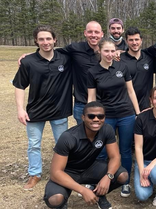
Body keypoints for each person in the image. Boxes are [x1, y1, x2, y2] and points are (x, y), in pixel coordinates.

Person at [13, 25, 71, 190]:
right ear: (36, 41)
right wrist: (20, 109)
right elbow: (19, 86)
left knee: (62, 143)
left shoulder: (65, 57)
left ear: (54, 40)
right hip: (35, 111)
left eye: (48, 38)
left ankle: (61, 172)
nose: (45, 42)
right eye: (41, 39)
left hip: (59, 110)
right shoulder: (28, 61)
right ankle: (35, 174)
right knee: (34, 144)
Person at [43, 101, 128, 209]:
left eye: (100, 116)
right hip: (68, 172)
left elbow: (115, 157)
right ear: (83, 117)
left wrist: (108, 176)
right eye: (91, 116)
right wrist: (83, 190)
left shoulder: (107, 130)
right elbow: (55, 173)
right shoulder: (68, 137)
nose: (96, 119)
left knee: (122, 176)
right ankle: (63, 202)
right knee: (55, 199)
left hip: (90, 167)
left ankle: (99, 195)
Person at [87, 39, 140, 197]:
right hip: (106, 116)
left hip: (126, 115)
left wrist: (137, 112)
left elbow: (131, 91)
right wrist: (91, 118)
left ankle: (124, 182)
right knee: (102, 150)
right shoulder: (92, 72)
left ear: (116, 51)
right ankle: (101, 178)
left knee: (124, 149)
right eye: (106, 51)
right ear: (99, 51)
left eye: (112, 51)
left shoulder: (122, 67)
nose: (109, 54)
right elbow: (91, 97)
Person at [120, 27, 154, 110]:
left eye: (136, 39)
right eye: (131, 40)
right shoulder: (119, 60)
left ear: (141, 40)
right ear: (127, 41)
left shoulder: (149, 58)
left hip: (146, 106)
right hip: (126, 107)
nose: (134, 43)